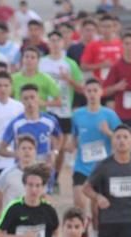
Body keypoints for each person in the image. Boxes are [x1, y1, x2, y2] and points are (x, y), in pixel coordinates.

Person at [71, 78, 121, 219]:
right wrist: (70, 146)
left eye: (95, 90)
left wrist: (108, 132)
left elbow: (122, 140)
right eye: (89, 91)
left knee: (97, 210)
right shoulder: (77, 115)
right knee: (79, 203)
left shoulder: (109, 115)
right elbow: (74, 139)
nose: (92, 94)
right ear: (84, 93)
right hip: (82, 167)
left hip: (102, 168)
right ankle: (83, 236)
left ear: (101, 92)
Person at [39, 30, 84, 189]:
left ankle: (55, 177)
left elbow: (81, 88)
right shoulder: (41, 63)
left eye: (58, 40)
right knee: (49, 145)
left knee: (61, 148)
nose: (55, 43)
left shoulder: (70, 63)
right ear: (48, 43)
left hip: (65, 110)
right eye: (52, 40)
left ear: (63, 43)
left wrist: (68, 79)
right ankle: (45, 177)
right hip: (45, 110)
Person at [0, 133, 37, 214]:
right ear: (17, 151)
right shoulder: (8, 173)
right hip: (13, 222)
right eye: (23, 148)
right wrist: (0, 218)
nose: (27, 151)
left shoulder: (41, 173)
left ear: (35, 152)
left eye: (30, 148)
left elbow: (46, 197)